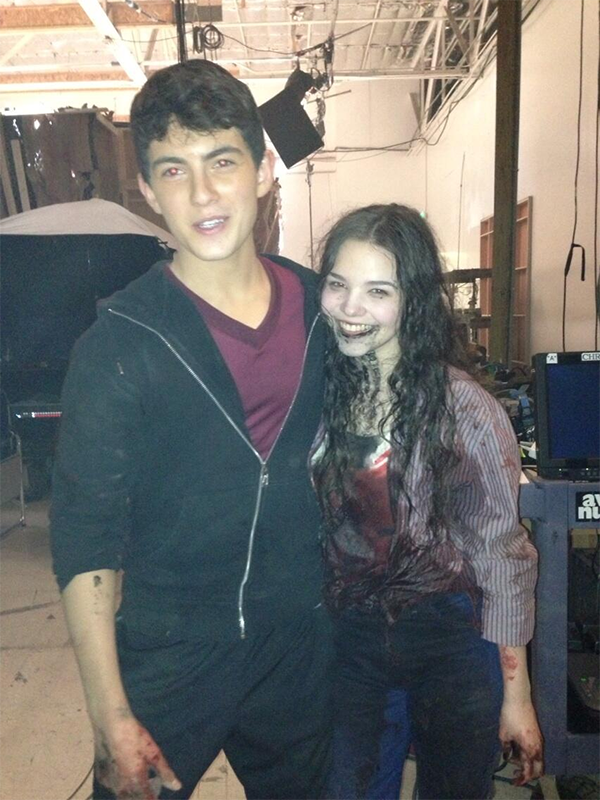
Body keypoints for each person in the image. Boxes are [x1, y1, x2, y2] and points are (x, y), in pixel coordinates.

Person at [50, 59, 332, 800]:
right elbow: (85, 538)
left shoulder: (323, 311)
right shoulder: (121, 342)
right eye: (174, 170)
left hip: (300, 643)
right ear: (148, 191)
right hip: (173, 647)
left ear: (263, 171)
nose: (202, 193)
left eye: (222, 161)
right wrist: (110, 713)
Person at [311, 203, 543, 800]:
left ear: (413, 300)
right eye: (338, 284)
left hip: (452, 642)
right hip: (350, 642)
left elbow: (502, 554)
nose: (350, 308)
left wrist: (517, 697)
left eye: (377, 291)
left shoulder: (464, 408)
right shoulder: (313, 396)